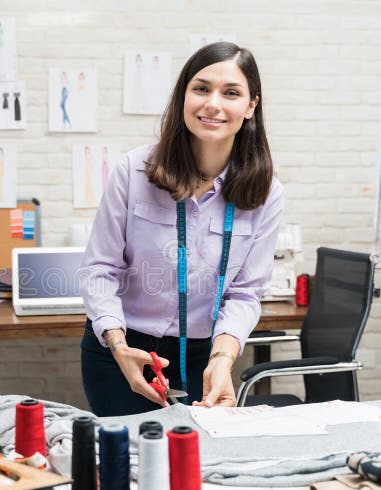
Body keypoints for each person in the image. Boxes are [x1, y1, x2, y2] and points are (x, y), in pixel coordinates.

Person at [79, 42, 283, 417]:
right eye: (201, 88)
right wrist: (118, 345)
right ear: (183, 96)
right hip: (122, 350)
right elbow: (99, 269)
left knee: (198, 468)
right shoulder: (134, 170)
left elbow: (245, 293)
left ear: (251, 106)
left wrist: (223, 360)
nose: (213, 104)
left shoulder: (265, 194)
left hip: (205, 356)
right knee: (129, 462)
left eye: (231, 93)